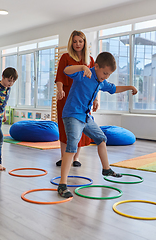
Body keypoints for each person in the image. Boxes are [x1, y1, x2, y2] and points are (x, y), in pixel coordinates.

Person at [58, 52, 138, 198]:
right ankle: (62, 184)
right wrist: (82, 67)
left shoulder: (101, 82)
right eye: (105, 73)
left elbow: (113, 89)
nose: (106, 76)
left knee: (101, 138)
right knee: (72, 146)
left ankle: (106, 169)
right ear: (96, 66)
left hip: (85, 116)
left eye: (109, 74)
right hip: (73, 114)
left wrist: (130, 87)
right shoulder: (84, 74)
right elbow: (66, 70)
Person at [55, 30, 97, 167]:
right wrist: (60, 90)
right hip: (66, 96)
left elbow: (96, 81)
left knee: (80, 126)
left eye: (80, 41)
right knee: (64, 127)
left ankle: (76, 158)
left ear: (84, 43)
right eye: (75, 41)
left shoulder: (90, 60)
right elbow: (60, 76)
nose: (77, 44)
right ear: (71, 43)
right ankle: (63, 157)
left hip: (83, 98)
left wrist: (95, 99)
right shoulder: (65, 57)